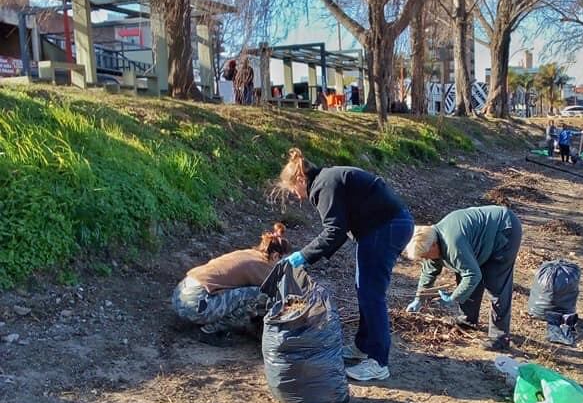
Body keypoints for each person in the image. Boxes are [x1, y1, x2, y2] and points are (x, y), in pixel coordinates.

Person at [276, 147, 414, 382]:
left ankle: (378, 362)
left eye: (294, 190)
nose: (297, 196)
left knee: (372, 295)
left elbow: (334, 232)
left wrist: (303, 256)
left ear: (301, 178)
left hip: (385, 228)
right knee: (365, 291)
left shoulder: (323, 186)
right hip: (383, 227)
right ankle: (363, 346)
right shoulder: (327, 179)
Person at [405, 205, 522, 352]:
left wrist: (454, 297)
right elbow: (429, 272)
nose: (426, 259)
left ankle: (500, 338)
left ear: (434, 245)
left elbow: (473, 275)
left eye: (425, 256)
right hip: (481, 238)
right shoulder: (430, 239)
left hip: (505, 229)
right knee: (464, 275)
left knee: (496, 284)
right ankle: (468, 320)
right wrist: (418, 298)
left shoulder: (453, 245)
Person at [172, 223, 290, 343]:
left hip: (180, 295)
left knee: (245, 293)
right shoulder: (264, 267)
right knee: (261, 295)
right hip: (195, 305)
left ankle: (208, 319)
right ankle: (208, 331)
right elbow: (277, 294)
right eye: (283, 260)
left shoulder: (250, 253)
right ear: (275, 256)